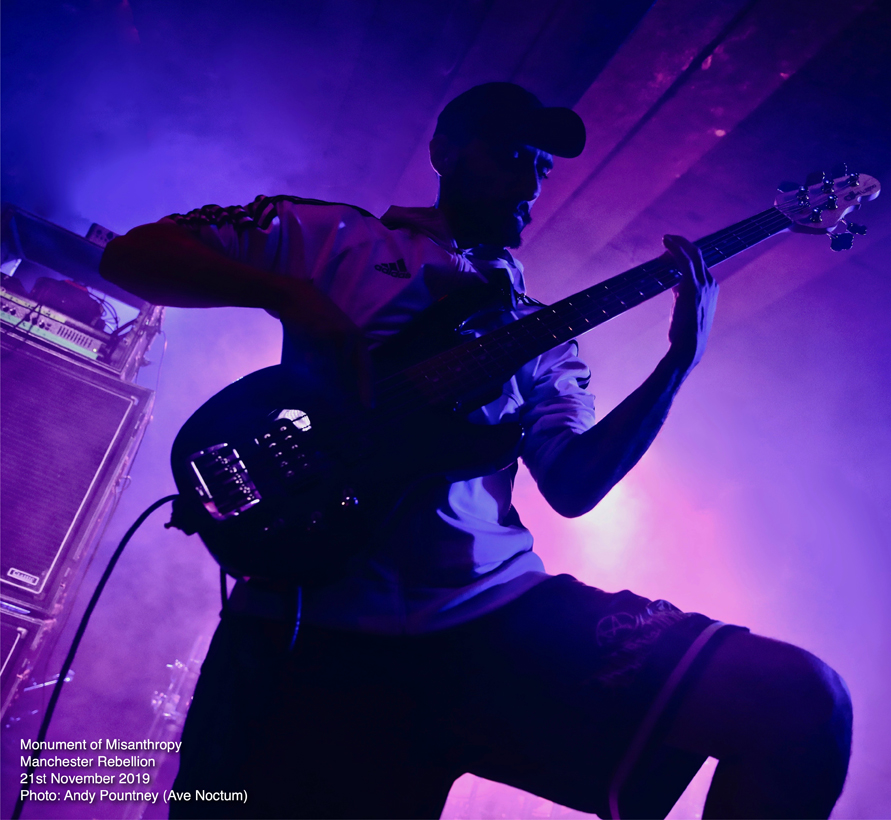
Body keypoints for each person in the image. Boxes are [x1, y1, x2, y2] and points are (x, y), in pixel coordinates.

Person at [100, 82, 852, 819]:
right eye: (512, 155)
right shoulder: (336, 237)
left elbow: (573, 486)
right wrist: (292, 296)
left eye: (542, 167)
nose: (531, 181)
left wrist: (676, 365)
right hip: (302, 621)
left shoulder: (545, 338)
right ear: (444, 151)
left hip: (488, 617)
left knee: (796, 703)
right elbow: (135, 255)